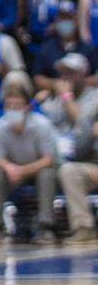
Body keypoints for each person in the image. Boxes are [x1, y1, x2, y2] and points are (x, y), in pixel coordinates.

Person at [0, 81, 59, 245]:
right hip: (14, 171)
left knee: (47, 175)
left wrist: (22, 170)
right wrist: (9, 168)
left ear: (27, 107)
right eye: (8, 105)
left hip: (39, 168)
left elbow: (49, 159)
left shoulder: (42, 125)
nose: (12, 109)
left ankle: (46, 227)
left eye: (17, 105)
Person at [59, 99, 98, 244]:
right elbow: (78, 154)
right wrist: (91, 136)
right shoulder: (93, 117)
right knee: (69, 170)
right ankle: (84, 228)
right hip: (94, 167)